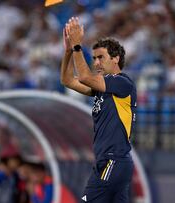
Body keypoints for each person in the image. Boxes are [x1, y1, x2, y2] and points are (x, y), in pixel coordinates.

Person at [61, 17, 136, 202]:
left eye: (100, 57)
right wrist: (69, 51)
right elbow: (67, 80)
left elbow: (85, 77)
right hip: (109, 161)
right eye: (94, 58)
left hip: (113, 160)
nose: (96, 63)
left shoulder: (121, 83)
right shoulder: (103, 89)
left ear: (116, 59)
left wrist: (78, 46)